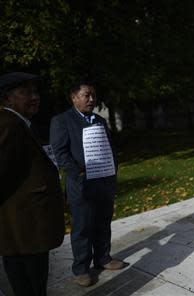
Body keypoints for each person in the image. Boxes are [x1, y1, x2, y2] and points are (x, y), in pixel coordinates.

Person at [49, 80, 127, 287]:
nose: (91, 99)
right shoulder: (62, 121)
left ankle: (103, 258)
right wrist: (79, 173)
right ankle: (81, 269)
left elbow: (110, 148)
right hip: (80, 184)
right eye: (86, 95)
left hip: (104, 181)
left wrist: (112, 170)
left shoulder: (99, 121)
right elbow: (61, 153)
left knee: (103, 221)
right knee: (82, 226)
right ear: (74, 98)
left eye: (93, 94)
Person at [0, 72, 65, 296]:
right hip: (24, 231)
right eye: (25, 92)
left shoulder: (19, 123)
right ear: (7, 98)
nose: (34, 97)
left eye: (35, 92)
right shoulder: (9, 124)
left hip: (24, 231)